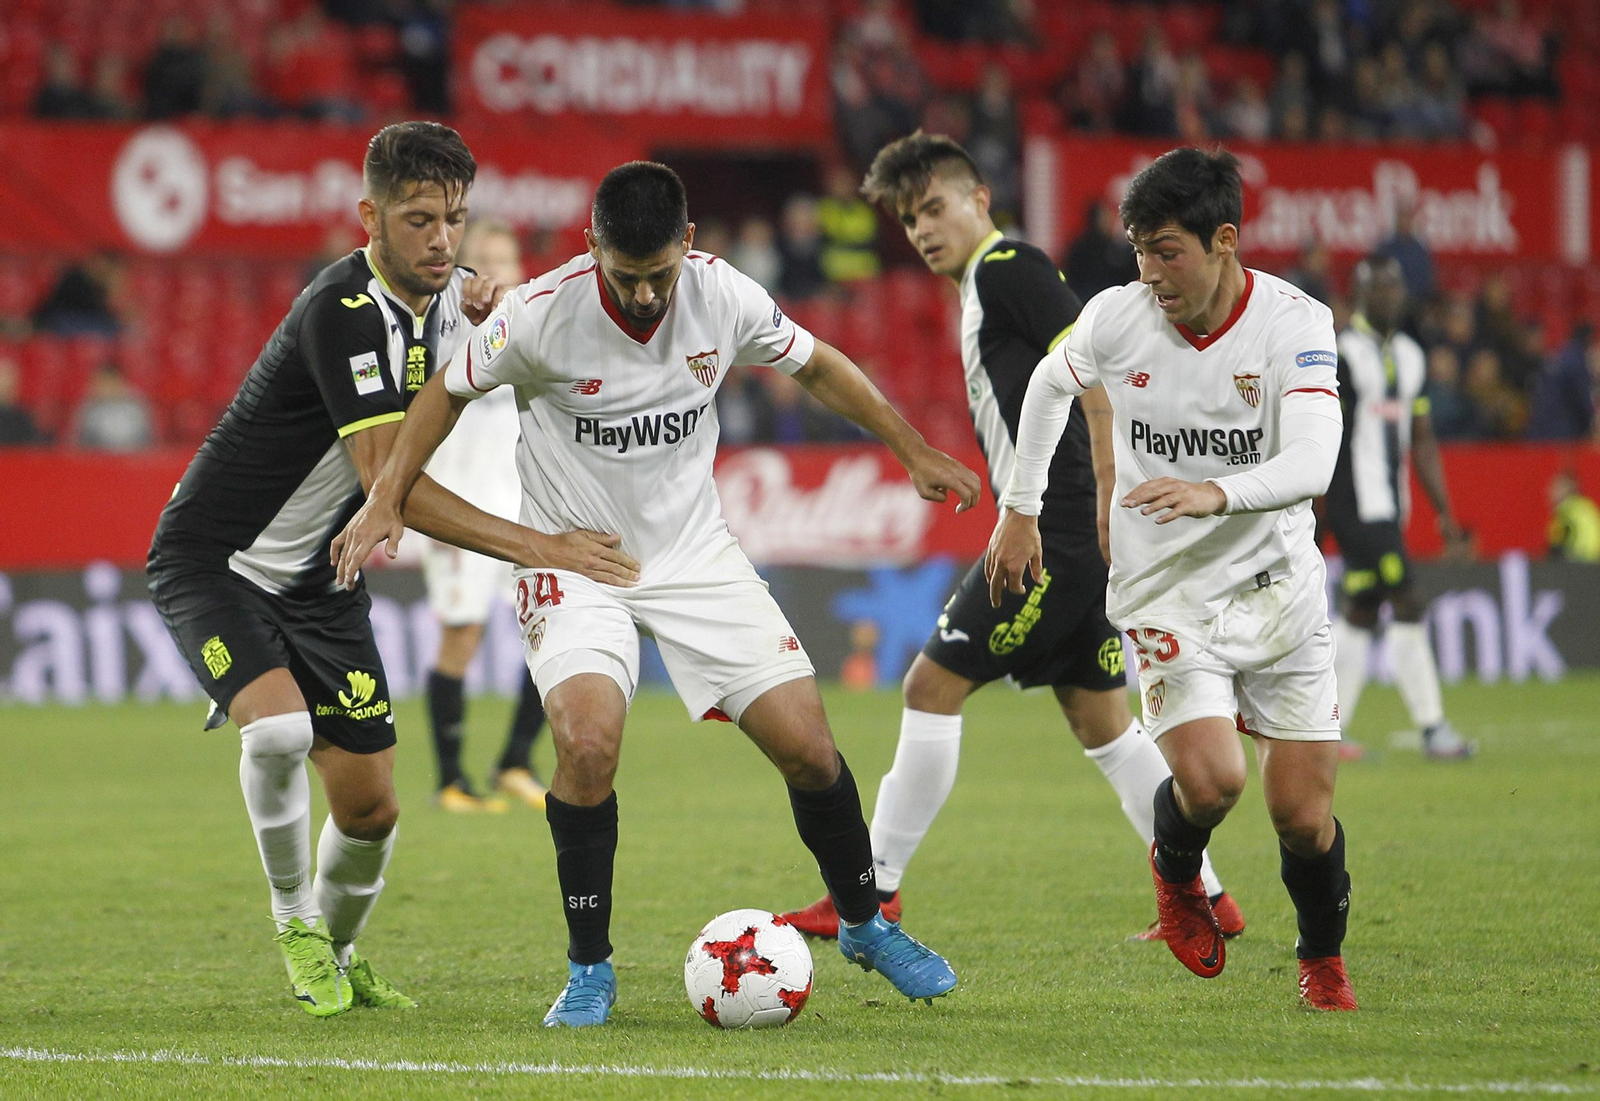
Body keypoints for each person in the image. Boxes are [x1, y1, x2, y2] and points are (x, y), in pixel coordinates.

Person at [332, 161, 984, 1028]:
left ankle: (864, 923)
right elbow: (442, 395)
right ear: (594, 247)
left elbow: (819, 366)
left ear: (687, 244)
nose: (643, 296)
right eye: (624, 275)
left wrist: (911, 448)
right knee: (589, 746)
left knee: (811, 749)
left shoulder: (723, 295)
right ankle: (590, 967)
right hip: (574, 558)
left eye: (658, 276)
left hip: (696, 554)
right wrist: (386, 496)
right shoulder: (538, 315)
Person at [782, 132, 1244, 944]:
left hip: (1058, 530)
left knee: (931, 686)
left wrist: (1101, 490)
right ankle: (1207, 897)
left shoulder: (1006, 271)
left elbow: (1093, 365)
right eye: (907, 217)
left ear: (980, 199)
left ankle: (875, 889)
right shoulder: (982, 287)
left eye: (934, 207)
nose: (922, 228)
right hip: (1070, 531)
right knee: (1100, 718)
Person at [147, 122, 524, 1018]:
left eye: (455, 219)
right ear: (371, 216)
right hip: (215, 561)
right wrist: (541, 546)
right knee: (277, 734)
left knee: (372, 812)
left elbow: (480, 300)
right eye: (420, 218)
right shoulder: (340, 310)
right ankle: (294, 923)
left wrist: (478, 300)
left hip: (319, 580)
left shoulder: (447, 293)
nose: (441, 239)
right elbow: (387, 488)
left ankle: (342, 953)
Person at [986, 147, 1357, 1011]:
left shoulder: (1295, 324)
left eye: (1167, 251)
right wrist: (1021, 507)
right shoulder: (1118, 318)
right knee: (1215, 780)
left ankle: (1322, 961)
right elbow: (1048, 386)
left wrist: (1213, 491)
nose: (1149, 274)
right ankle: (1178, 870)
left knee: (1303, 818)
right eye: (1138, 252)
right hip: (1163, 589)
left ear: (1224, 240)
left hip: (1277, 585)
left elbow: (1314, 460)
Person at [418, 219, 550, 813]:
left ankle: (516, 761)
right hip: (457, 508)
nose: (493, 270)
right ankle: (451, 779)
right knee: (462, 637)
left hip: (524, 509)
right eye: (481, 259)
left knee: (552, 636)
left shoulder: (539, 325)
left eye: (504, 258)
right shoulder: (443, 326)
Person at [1325, 257, 1475, 761]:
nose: (1388, 296)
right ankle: (1434, 729)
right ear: (1360, 294)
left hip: (1393, 506)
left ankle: (1329, 730)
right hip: (1356, 505)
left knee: (1363, 611)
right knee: (1408, 600)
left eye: (1395, 287)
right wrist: (1323, 513)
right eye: (1378, 288)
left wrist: (1446, 512)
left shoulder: (1411, 356)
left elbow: (1424, 440)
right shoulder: (1341, 353)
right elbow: (1326, 435)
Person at [1546, 470, 1600, 563]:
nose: (1549, 491)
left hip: (1576, 565)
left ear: (1566, 489)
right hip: (1595, 566)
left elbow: (1556, 544)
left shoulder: (1566, 512)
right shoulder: (1588, 507)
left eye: (1555, 488)